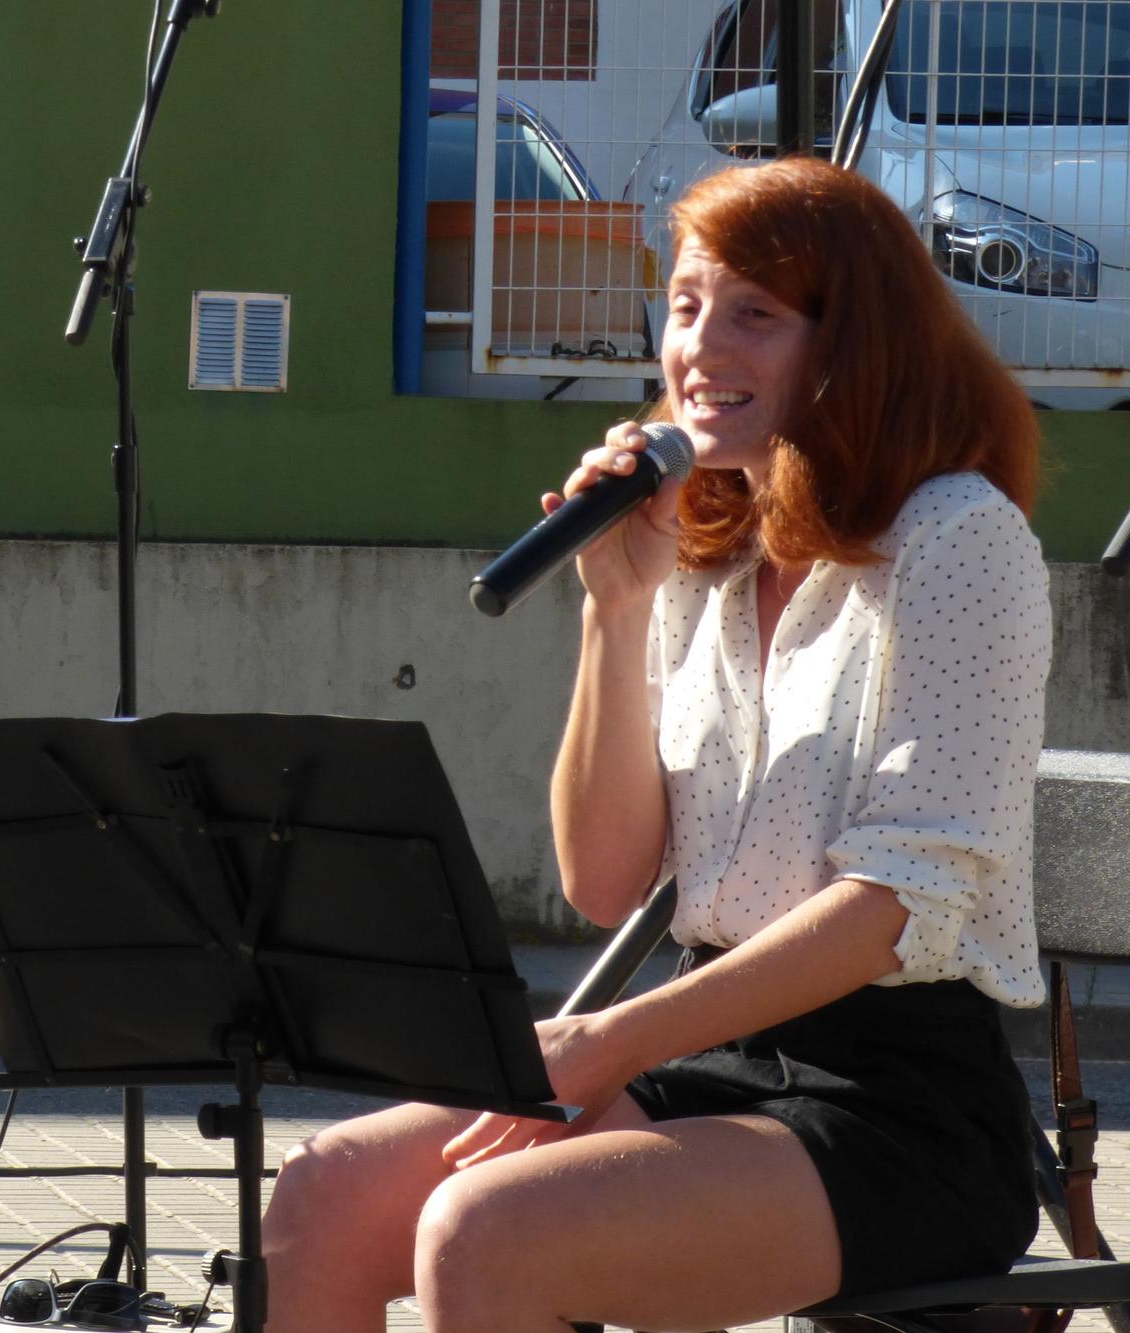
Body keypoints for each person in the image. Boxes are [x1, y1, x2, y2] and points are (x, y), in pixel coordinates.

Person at [259, 155, 1050, 1332]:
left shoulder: (955, 539)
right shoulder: (706, 553)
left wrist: (605, 1041)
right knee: (326, 1193)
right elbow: (601, 877)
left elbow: (895, 904)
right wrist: (613, 602)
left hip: (897, 1103)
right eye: (682, 306)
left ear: (856, 344)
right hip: (713, 1052)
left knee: (486, 1233)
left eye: (752, 315)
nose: (698, 347)